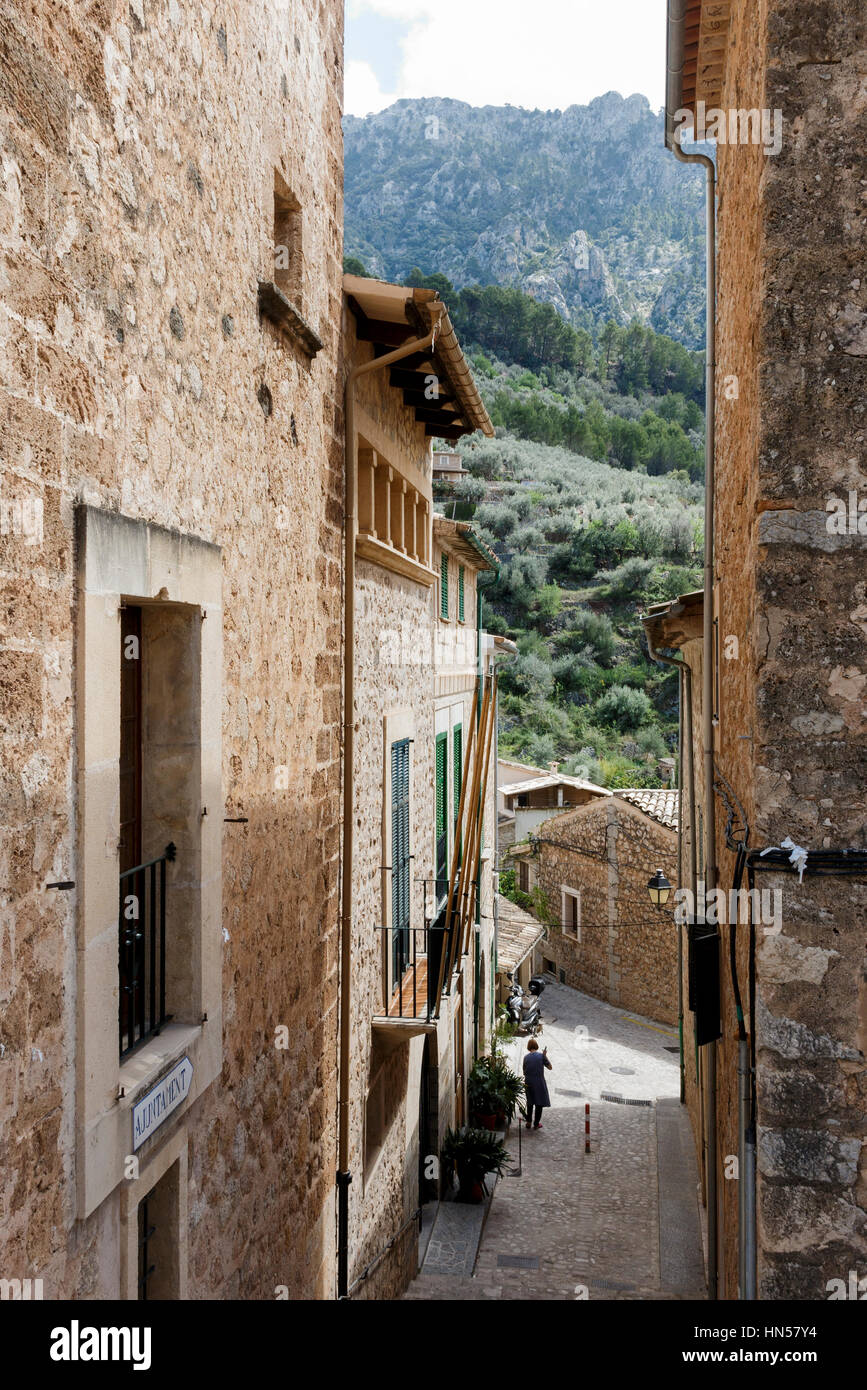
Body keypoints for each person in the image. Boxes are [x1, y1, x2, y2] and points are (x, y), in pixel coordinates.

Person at [522, 1036, 552, 1129]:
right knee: (539, 1103)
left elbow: (524, 1071)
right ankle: (536, 1123)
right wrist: (545, 1056)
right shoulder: (541, 1056)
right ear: (536, 1046)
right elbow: (550, 1067)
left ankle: (528, 1122)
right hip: (539, 1081)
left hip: (528, 1082)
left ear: (528, 1047)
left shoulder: (525, 1057)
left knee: (530, 1102)